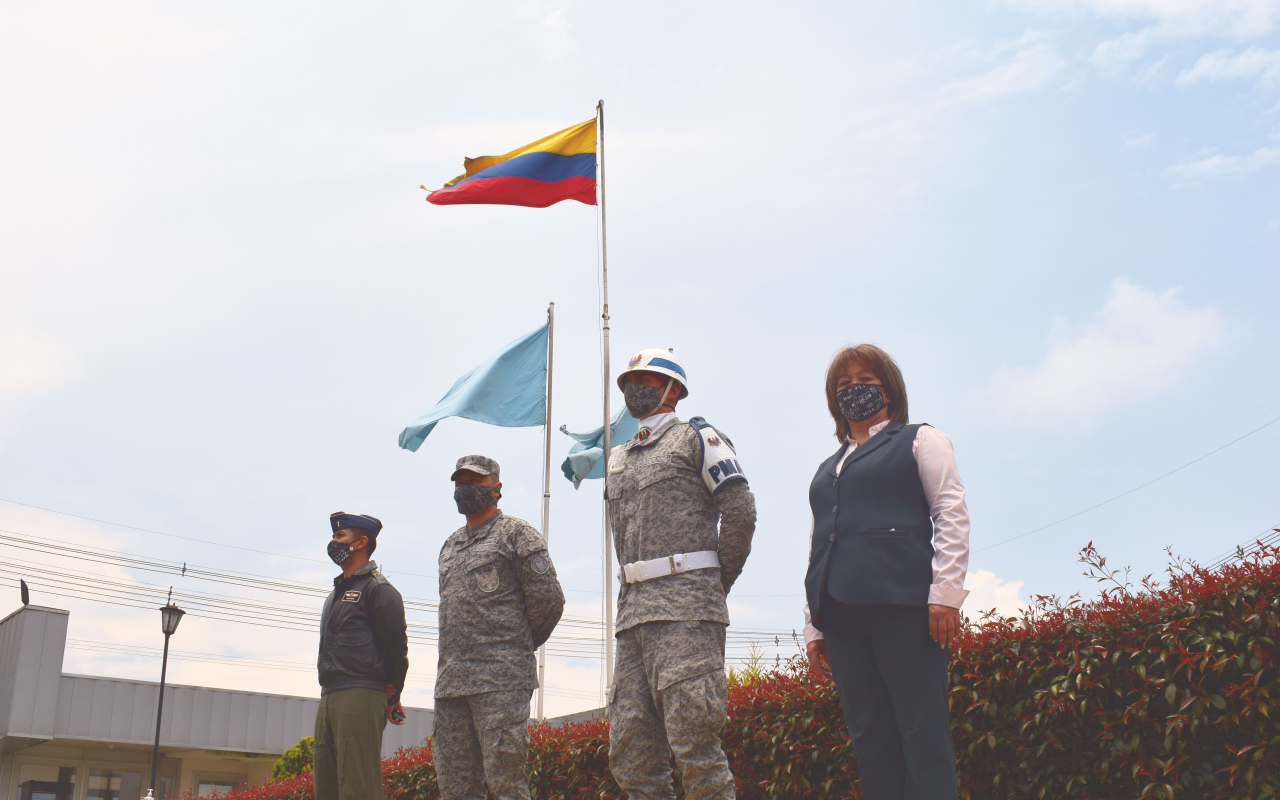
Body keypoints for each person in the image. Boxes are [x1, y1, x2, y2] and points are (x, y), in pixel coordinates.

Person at [802, 344, 970, 800]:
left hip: (904, 605)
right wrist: (813, 625)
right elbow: (818, 546)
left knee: (923, 733)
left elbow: (950, 512)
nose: (854, 390)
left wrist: (946, 593)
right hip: (839, 614)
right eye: (843, 386)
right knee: (870, 739)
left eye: (865, 381)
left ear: (889, 391)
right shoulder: (826, 469)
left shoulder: (920, 439)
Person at [606, 349, 758, 800]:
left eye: (648, 378)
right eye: (631, 379)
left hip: (687, 613)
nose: (637, 386)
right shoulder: (618, 458)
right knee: (631, 754)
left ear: (673, 389)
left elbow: (740, 511)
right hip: (633, 617)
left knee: (695, 745)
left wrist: (712, 584)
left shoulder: (699, 438)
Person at [434, 455, 565, 800]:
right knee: (455, 786)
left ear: (496, 488)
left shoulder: (516, 535)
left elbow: (549, 601)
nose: (465, 489)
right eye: (460, 482)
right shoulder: (450, 545)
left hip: (501, 680)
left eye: (474, 482)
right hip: (451, 684)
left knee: (506, 782)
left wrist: (515, 646)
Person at [315, 512, 409, 800]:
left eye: (340, 536)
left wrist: (394, 692)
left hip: (360, 693)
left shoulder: (377, 588)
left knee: (358, 787)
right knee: (327, 786)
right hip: (330, 693)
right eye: (333, 536)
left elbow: (396, 647)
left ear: (362, 542)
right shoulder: (335, 594)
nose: (334, 542)